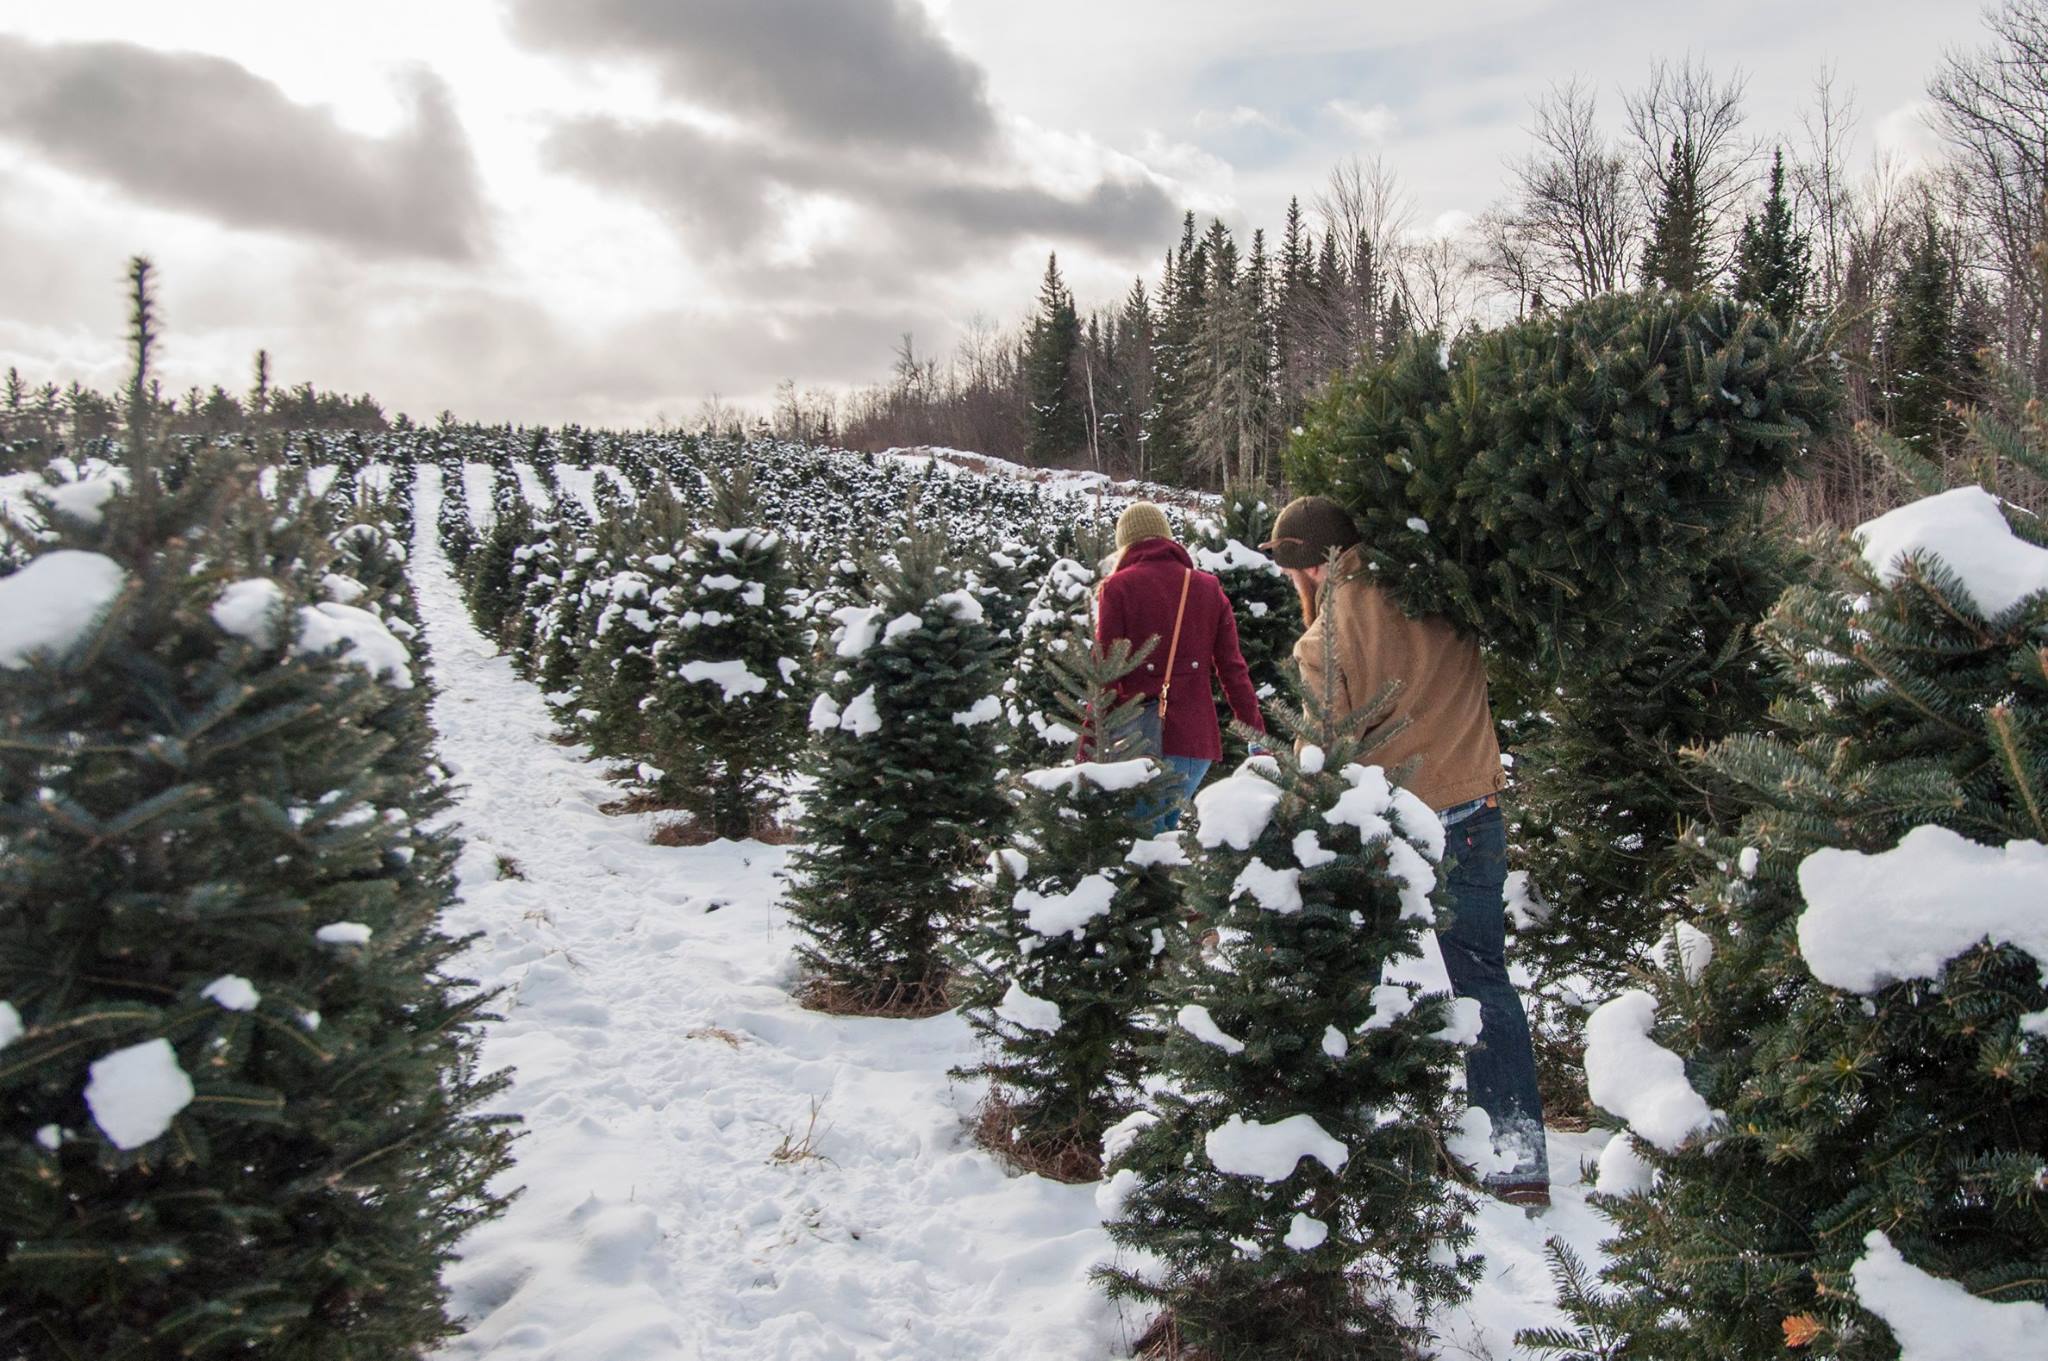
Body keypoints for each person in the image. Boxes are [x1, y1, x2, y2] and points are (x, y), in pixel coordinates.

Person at [1261, 494, 1549, 1208]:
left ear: (1308, 567)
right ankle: (1519, 1158)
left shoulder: (1326, 636)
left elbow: (1320, 757)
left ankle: (1371, 1146)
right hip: (1476, 807)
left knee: (1368, 980)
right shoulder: (1439, 586)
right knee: (1481, 974)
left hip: (1398, 827)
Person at [1094, 502, 1266, 831]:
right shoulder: (1206, 587)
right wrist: (1256, 735)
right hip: (1195, 744)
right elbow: (1233, 670)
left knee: (1141, 853)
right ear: (1168, 539)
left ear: (1125, 544)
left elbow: (1104, 673)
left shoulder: (1117, 588)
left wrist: (1090, 742)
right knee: (1162, 846)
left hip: (1137, 743)